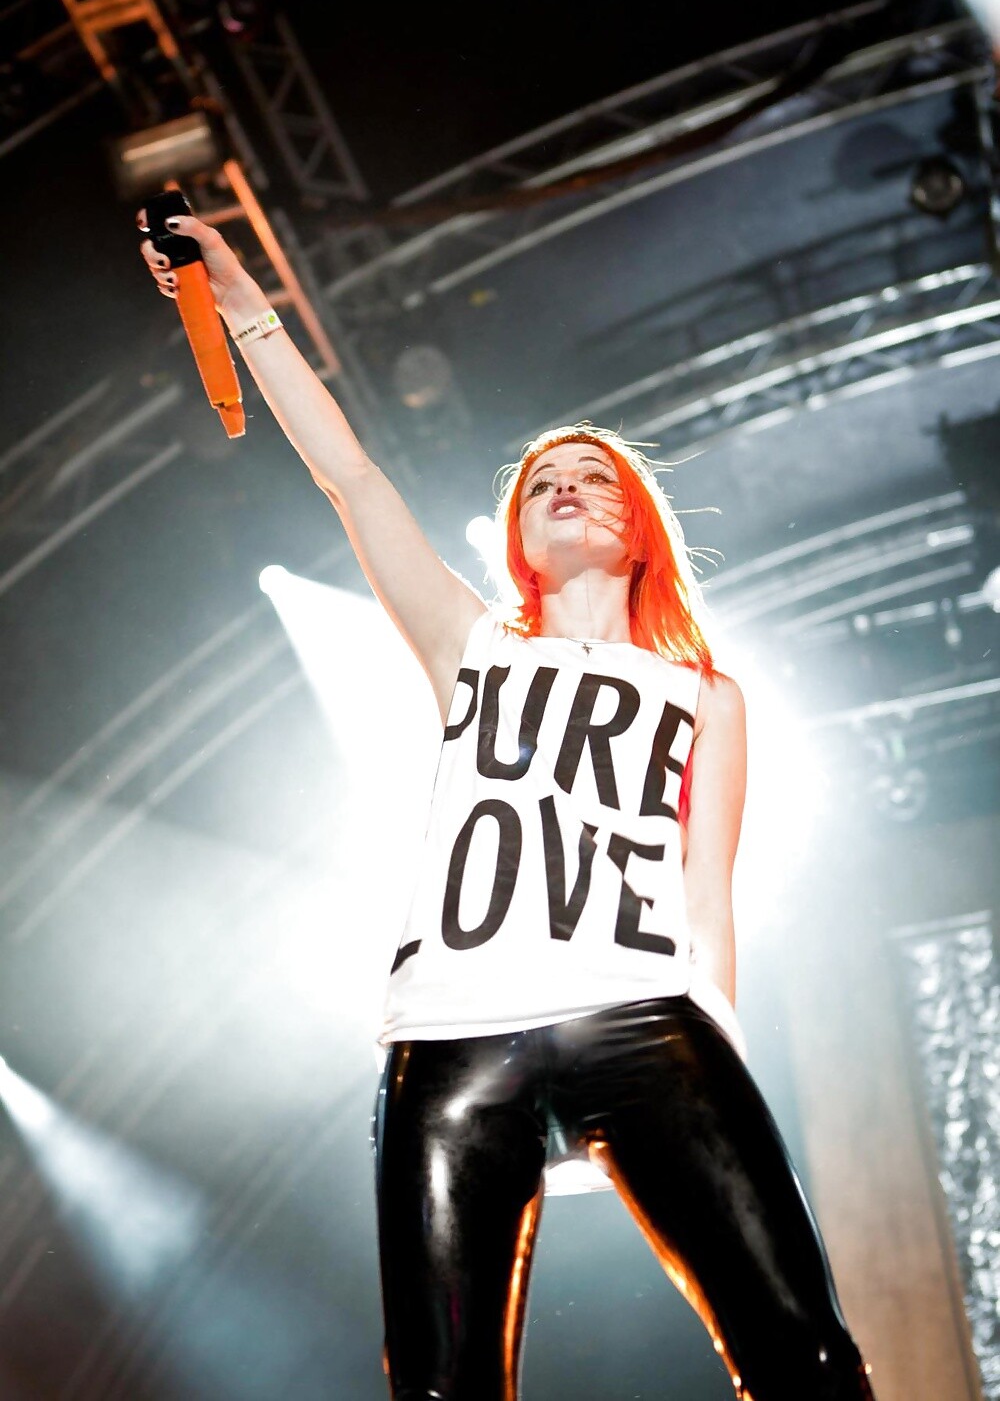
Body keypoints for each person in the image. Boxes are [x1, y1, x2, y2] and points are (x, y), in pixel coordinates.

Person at [140, 214, 877, 1401]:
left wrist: (721, 1069)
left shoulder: (704, 694)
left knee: (805, 1352)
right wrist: (242, 308)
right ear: (522, 536)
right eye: (543, 482)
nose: (566, 486)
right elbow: (350, 476)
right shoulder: (472, 643)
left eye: (594, 477)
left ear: (639, 528)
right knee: (441, 1383)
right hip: (454, 1031)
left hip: (643, 1015)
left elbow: (707, 898)